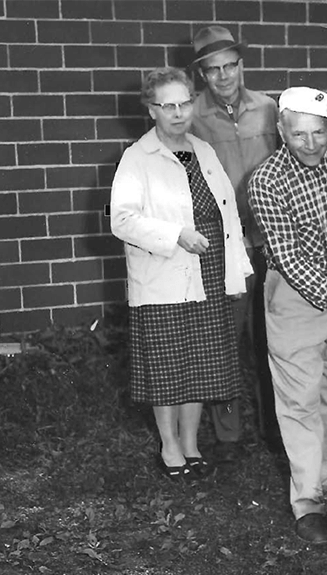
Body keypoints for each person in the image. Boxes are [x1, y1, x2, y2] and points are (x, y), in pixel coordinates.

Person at [110, 67, 252, 481]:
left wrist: (237, 268)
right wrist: (176, 235)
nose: (177, 113)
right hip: (165, 277)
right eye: (166, 106)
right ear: (151, 110)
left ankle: (190, 443)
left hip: (208, 273)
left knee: (201, 365)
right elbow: (120, 219)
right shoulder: (137, 158)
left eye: (184, 103)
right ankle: (169, 446)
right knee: (169, 368)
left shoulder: (202, 151)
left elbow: (227, 214)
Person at [248, 87, 327, 544]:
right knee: (300, 400)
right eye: (298, 134)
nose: (310, 143)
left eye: (318, 132)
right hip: (296, 296)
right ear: (280, 131)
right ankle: (308, 503)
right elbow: (293, 262)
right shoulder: (265, 180)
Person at [188, 26, 280, 462]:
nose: (224, 76)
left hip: (267, 240)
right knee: (223, 339)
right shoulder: (193, 117)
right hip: (224, 243)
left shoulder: (268, 109)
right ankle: (228, 436)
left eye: (231, 66)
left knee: (272, 338)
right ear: (202, 75)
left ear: (242, 65)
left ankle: (277, 427)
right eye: (214, 70)